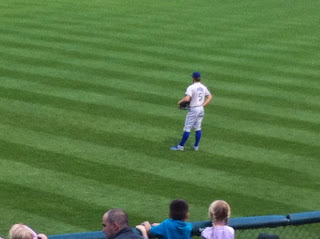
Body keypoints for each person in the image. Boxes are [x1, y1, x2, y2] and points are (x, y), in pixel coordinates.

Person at [171, 72, 213, 151]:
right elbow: (210, 96)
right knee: (198, 127)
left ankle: (180, 146)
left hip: (194, 110)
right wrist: (203, 105)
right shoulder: (203, 87)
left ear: (193, 78)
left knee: (187, 128)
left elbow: (187, 98)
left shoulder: (191, 87)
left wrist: (180, 102)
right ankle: (196, 146)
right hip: (201, 109)